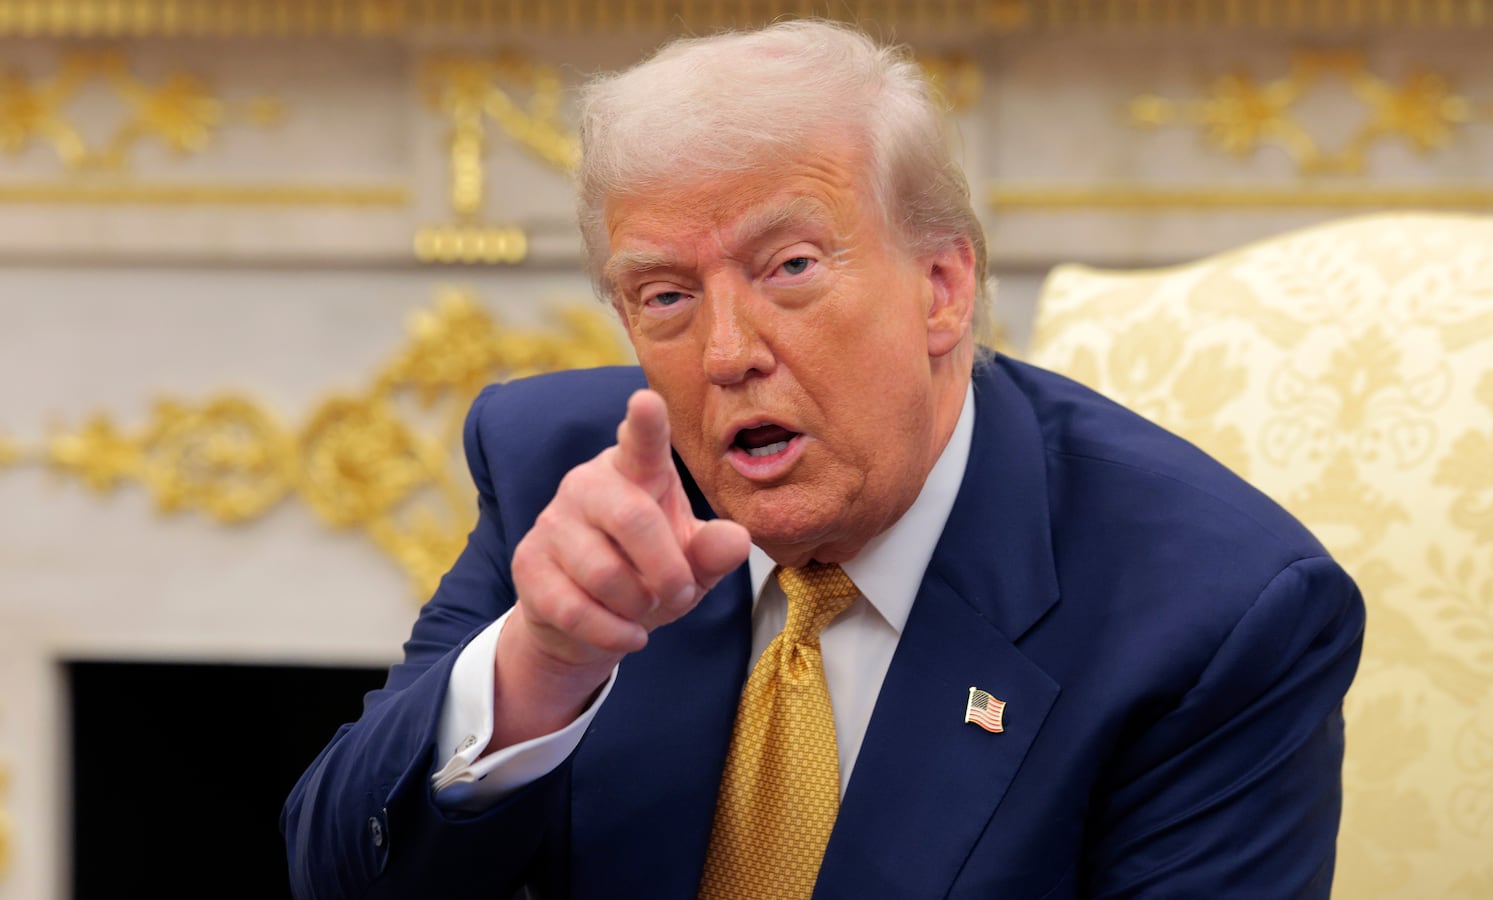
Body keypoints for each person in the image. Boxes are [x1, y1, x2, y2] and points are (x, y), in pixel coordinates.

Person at [283, 19, 1364, 899]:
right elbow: (333, 872)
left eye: (790, 266)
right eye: (664, 295)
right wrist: (539, 668)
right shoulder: (564, 480)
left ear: (942, 288)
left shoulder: (1214, 616)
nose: (725, 353)